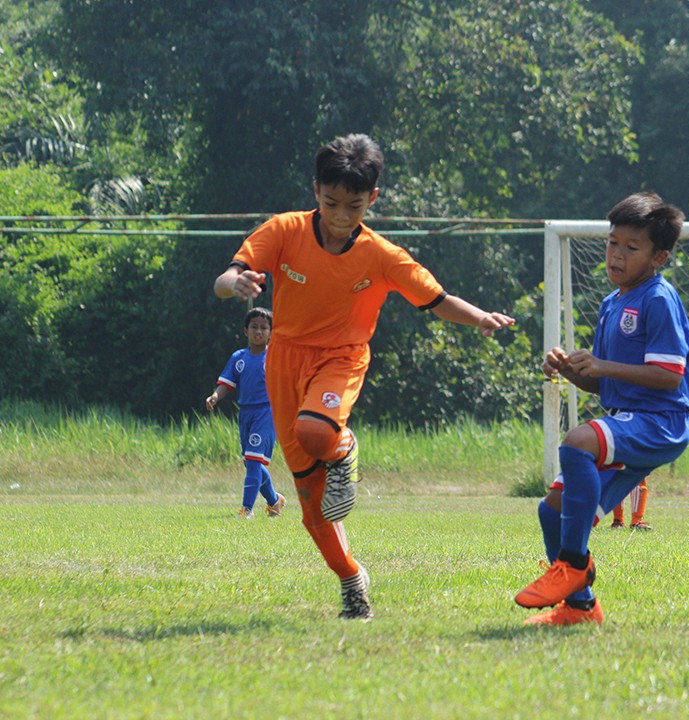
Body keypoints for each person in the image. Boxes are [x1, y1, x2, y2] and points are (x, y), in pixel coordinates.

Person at [212, 133, 515, 621]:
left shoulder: (381, 255)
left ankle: (344, 450)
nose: (339, 216)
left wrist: (479, 316)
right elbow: (228, 277)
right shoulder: (284, 230)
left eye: (353, 206)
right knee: (313, 505)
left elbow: (436, 301)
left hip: (342, 358)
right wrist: (237, 284)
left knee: (317, 432)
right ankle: (352, 579)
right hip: (285, 360)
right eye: (330, 202)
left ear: (371, 199)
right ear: (316, 191)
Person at [515, 192, 689, 626]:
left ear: (659, 256)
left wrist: (601, 364)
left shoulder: (658, 298)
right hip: (628, 419)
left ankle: (574, 562)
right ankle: (580, 607)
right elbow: (606, 385)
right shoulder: (611, 303)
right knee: (552, 511)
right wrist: (570, 370)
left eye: (631, 247)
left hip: (664, 421)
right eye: (612, 242)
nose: (616, 255)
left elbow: (669, 376)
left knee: (577, 441)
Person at [205, 306, 285, 520]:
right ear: (245, 331)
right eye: (254, 327)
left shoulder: (275, 357)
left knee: (253, 459)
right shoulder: (238, 357)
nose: (259, 331)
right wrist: (215, 396)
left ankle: (246, 510)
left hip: (267, 412)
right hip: (246, 413)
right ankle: (274, 501)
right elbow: (226, 383)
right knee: (252, 462)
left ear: (271, 332)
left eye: (264, 328)